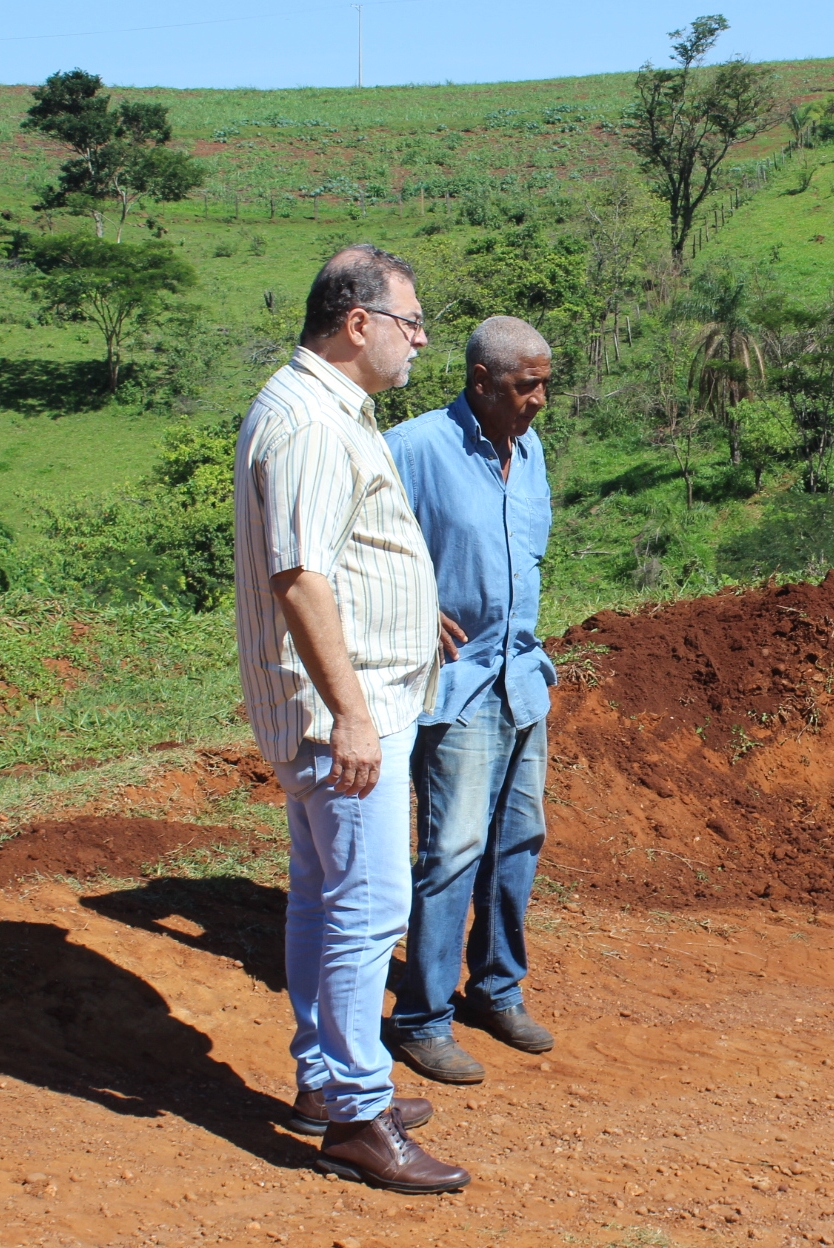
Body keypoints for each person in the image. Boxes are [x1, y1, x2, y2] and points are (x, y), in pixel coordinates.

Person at [233, 244, 469, 1194]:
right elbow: (301, 577)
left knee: (325, 897)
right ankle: (359, 1117)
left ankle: (327, 1081)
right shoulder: (309, 424)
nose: (421, 341)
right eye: (411, 322)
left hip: (348, 697)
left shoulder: (328, 408)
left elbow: (344, 554)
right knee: (369, 907)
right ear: (358, 322)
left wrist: (414, 611)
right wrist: (352, 716)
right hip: (344, 711)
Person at [384, 315, 558, 1085]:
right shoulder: (415, 448)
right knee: (452, 851)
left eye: (545, 385)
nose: (539, 400)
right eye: (526, 386)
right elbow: (353, 543)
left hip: (521, 679)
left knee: (518, 842)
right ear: (482, 382)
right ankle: (421, 1019)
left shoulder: (532, 450)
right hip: (458, 686)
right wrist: (413, 605)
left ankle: (496, 988)